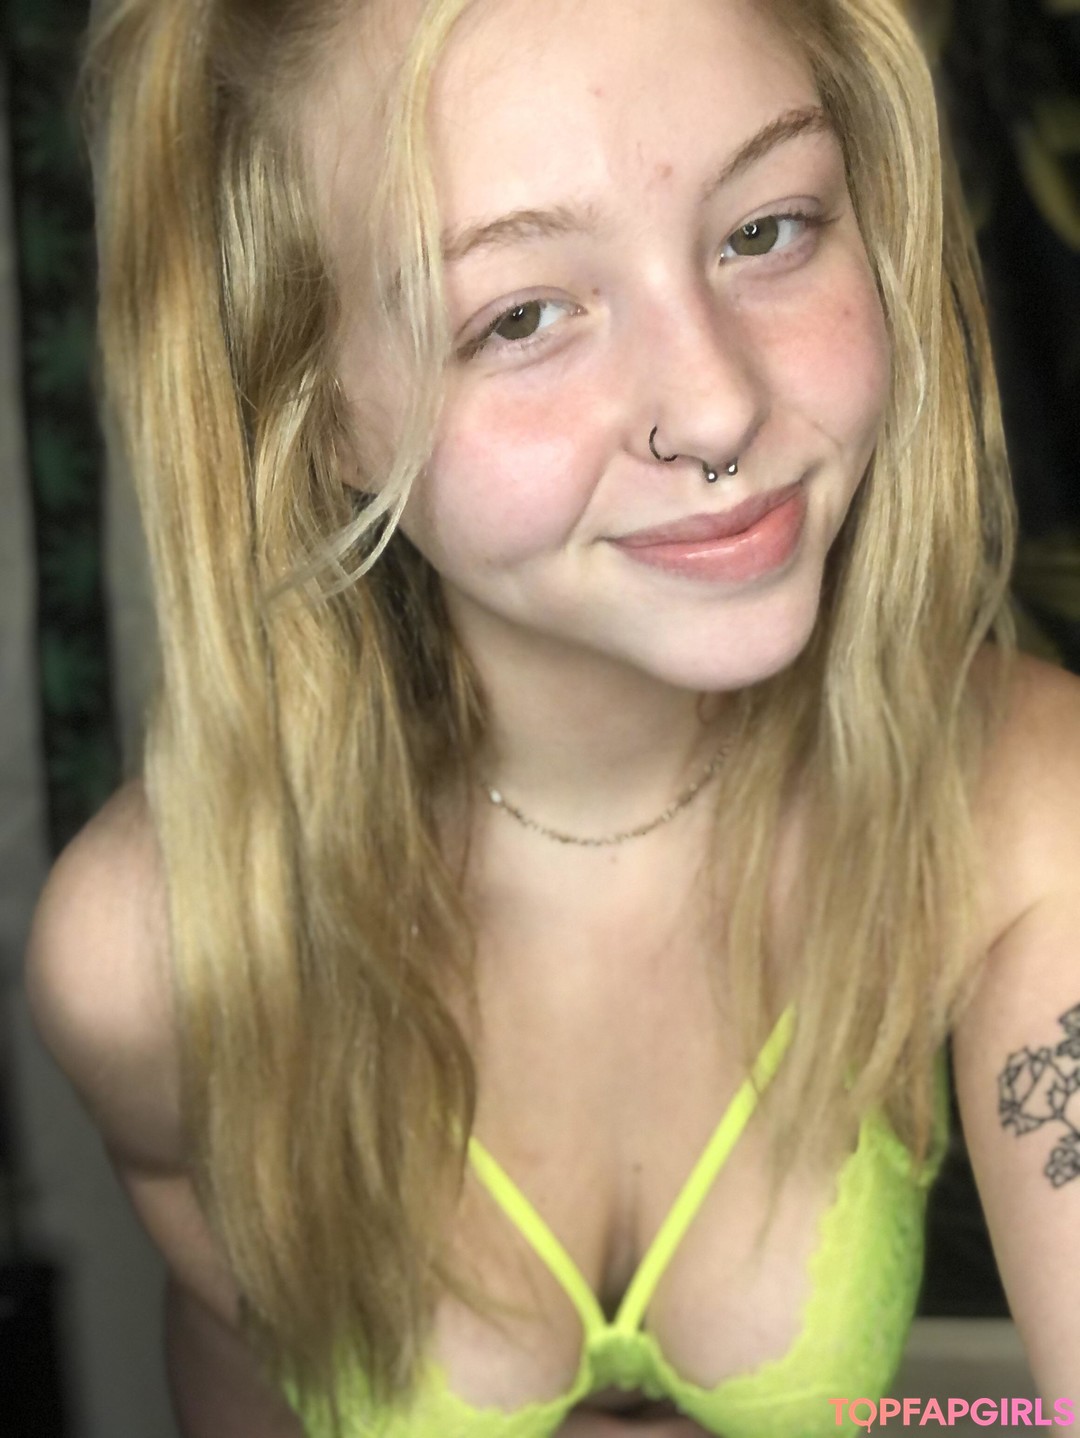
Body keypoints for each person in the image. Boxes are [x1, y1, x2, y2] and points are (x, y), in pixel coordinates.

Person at [23, 0, 1080, 1433]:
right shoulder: (159, 960)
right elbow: (233, 1375)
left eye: (766, 229)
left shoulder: (1027, 807)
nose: (715, 407)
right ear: (314, 410)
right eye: (520, 315)